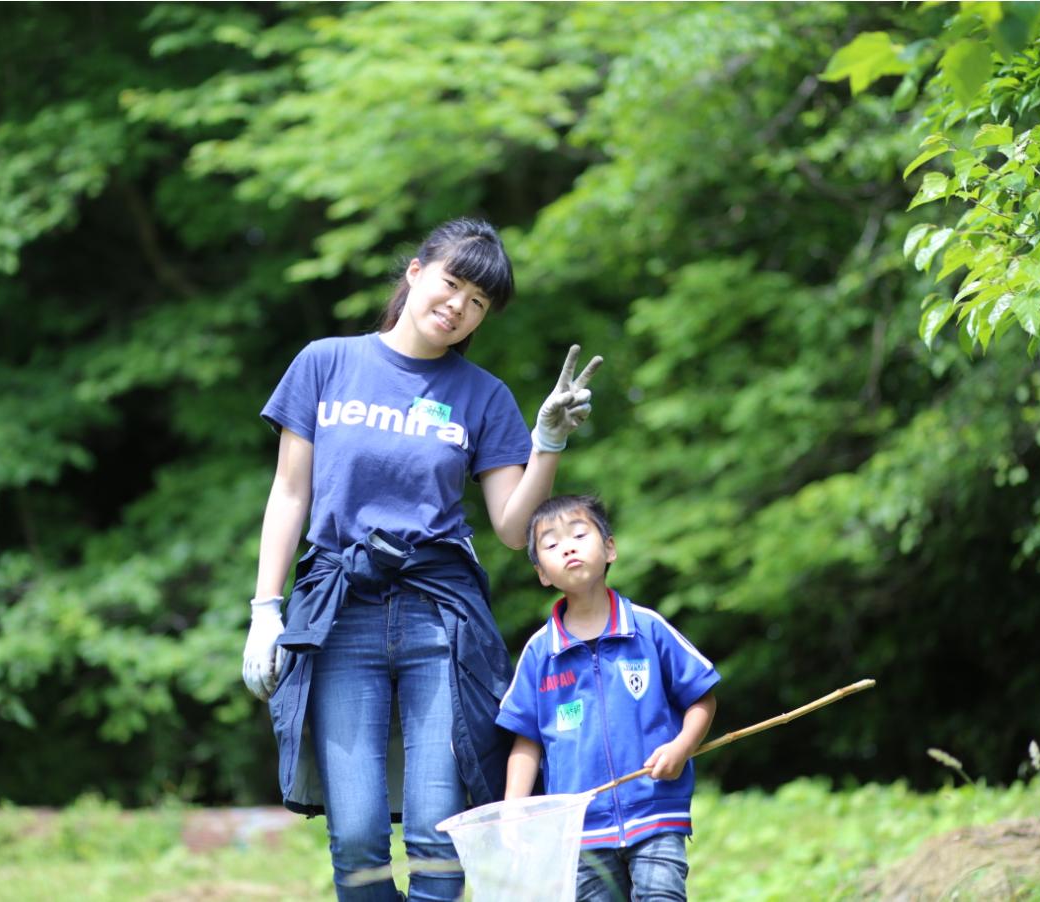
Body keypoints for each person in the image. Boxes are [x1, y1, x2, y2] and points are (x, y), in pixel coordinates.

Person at [240, 217, 602, 902]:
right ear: (415, 272)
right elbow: (289, 494)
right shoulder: (326, 362)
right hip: (339, 610)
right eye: (452, 283)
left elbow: (510, 527)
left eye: (477, 303)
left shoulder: (483, 395)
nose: (458, 307)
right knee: (356, 834)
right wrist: (265, 610)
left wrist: (546, 441)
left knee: (441, 832)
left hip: (440, 618)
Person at [497, 494, 719, 902]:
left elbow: (702, 698)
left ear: (610, 548)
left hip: (656, 814)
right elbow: (525, 739)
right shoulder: (539, 652)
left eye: (579, 534)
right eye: (550, 544)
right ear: (541, 573)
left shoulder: (647, 629)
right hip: (579, 831)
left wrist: (682, 747)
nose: (567, 546)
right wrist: (515, 812)